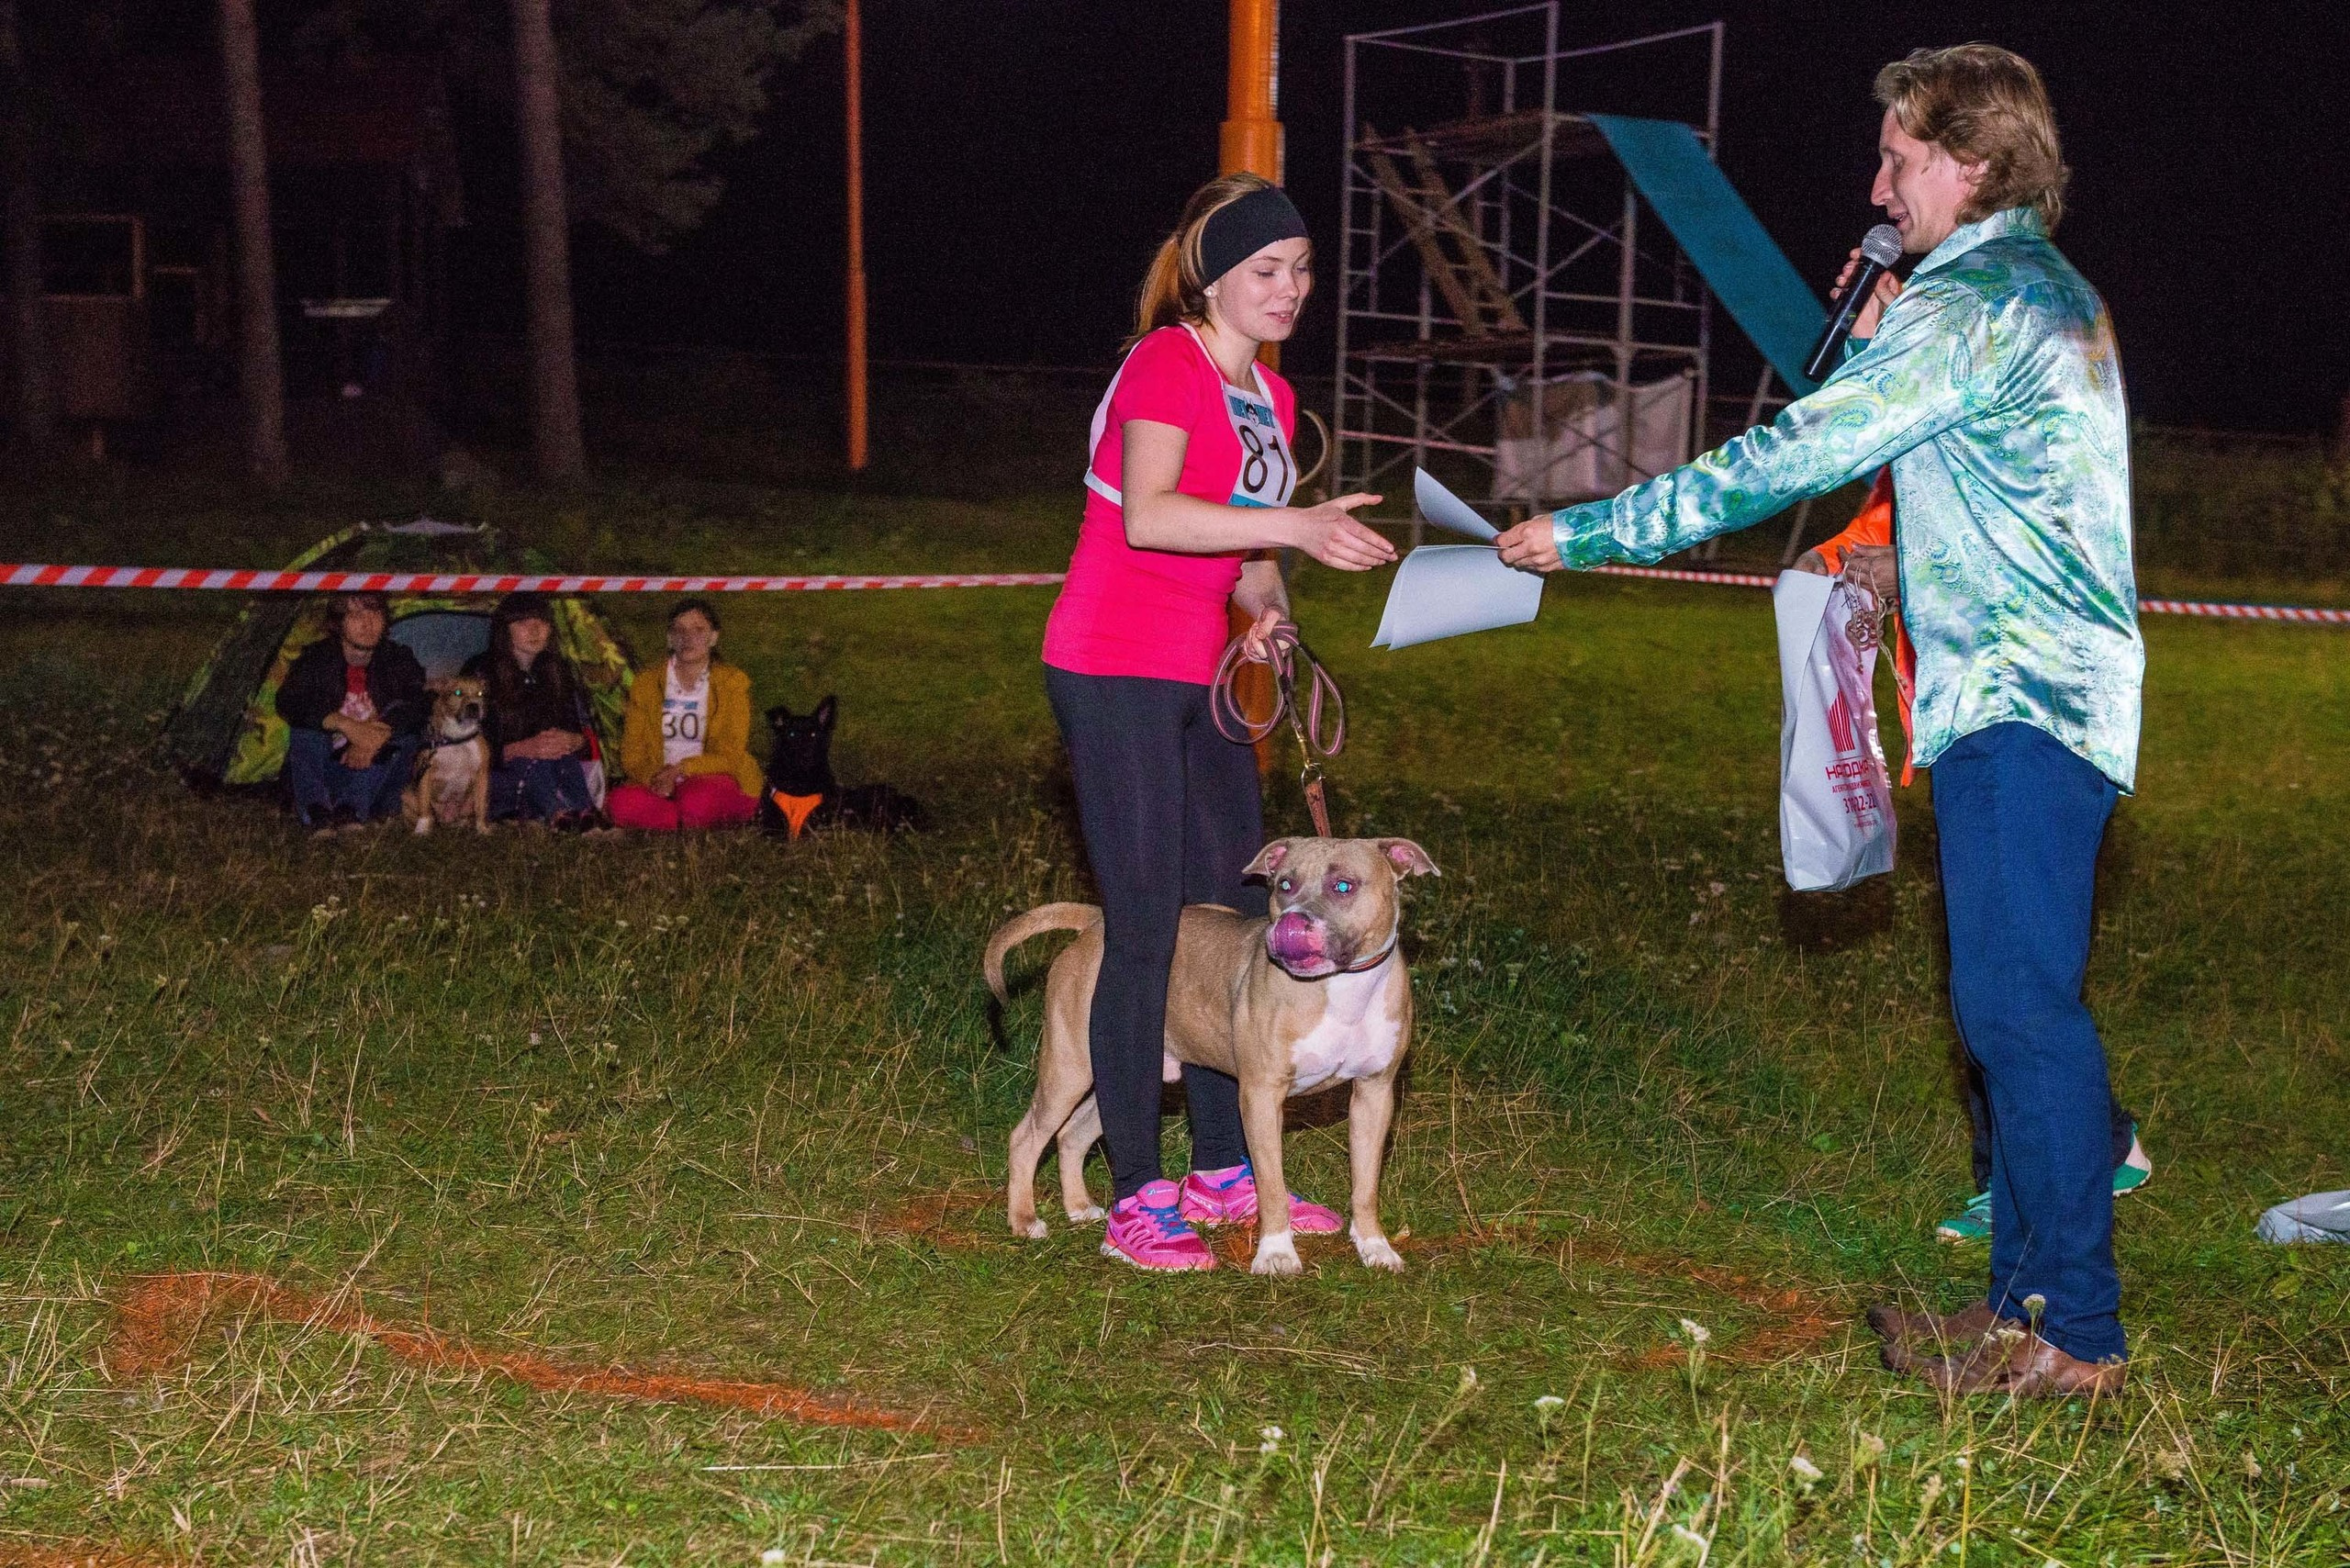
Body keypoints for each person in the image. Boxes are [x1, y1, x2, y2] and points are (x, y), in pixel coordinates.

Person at [1498, 45, 2140, 1394]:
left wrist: (1600, 531)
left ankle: (2075, 1334)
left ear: (1971, 164)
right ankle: (2020, 1306)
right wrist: (1890, 566)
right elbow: (2023, 499)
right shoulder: (2035, 290)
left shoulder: (1972, 301)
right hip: (2027, 691)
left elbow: (1796, 451)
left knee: (2021, 1015)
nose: (1879, 181)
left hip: (2024, 702)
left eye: (1901, 157)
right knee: (2003, 1012)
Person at [1041, 172, 1396, 1271]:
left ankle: (1221, 1171)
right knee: (1146, 921)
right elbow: (1150, 514)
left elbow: (1246, 558)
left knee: (1220, 911)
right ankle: (1138, 1195)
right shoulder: (1164, 363)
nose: (1290, 289)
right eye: (1266, 271)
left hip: (1202, 680)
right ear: (1212, 278)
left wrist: (1271, 621)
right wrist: (1292, 519)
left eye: (1300, 271)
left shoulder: (1274, 401)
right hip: (1111, 665)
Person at [1803, 479, 2154, 1245]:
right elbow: (1881, 528)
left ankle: (2042, 1238)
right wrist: (1826, 562)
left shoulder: (1998, 394)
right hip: (1969, 723)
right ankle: (2096, 1149)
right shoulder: (1928, 434)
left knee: (2009, 996)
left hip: (2031, 716)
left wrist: (1912, 568)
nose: (1859, 354)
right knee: (2000, 986)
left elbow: (2040, 550)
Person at [276, 590, 426, 830]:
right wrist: (345, 725)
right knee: (305, 732)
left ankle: (351, 813)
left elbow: (418, 703)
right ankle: (318, 814)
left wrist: (375, 737)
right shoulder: (317, 657)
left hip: (374, 775)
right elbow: (289, 700)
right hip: (328, 769)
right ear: (339, 622)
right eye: (355, 615)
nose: (368, 623)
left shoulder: (398, 658)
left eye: (375, 613)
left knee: (405, 738)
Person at [609, 599, 761, 832]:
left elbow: (730, 754)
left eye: (699, 630)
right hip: (660, 780)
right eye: (679, 630)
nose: (688, 638)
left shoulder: (732, 683)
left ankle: (677, 817)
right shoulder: (646, 684)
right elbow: (632, 754)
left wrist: (681, 770)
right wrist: (656, 778)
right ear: (670, 638)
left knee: (696, 800)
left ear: (714, 637)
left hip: (711, 776)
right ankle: (679, 819)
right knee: (619, 803)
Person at [471, 591, 599, 830]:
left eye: (542, 622)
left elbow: (582, 735)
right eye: (522, 622)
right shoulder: (481, 672)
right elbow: (466, 747)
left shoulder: (558, 671)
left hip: (552, 771)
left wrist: (572, 740)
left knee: (560, 757)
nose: (535, 630)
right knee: (532, 761)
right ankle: (558, 815)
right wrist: (520, 748)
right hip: (494, 778)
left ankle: (586, 812)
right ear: (505, 629)